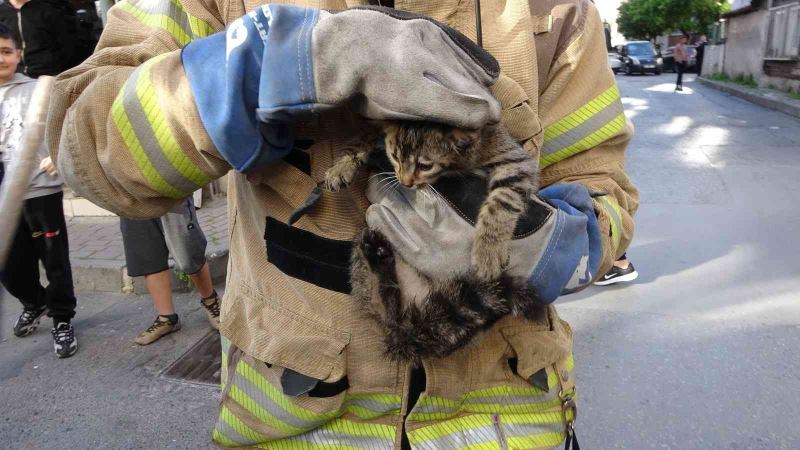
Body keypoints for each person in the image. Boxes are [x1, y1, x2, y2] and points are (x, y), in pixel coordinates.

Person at [46, 0, 638, 448]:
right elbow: (90, 147)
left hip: (505, 422)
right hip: (299, 419)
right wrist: (270, 65)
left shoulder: (554, 10)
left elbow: (603, 185)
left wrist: (555, 246)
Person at [0, 24, 77, 358]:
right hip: (3, 199)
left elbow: (66, 128)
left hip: (40, 191)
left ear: (19, 53)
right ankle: (35, 301)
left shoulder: (39, 90)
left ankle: (62, 319)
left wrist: (57, 157)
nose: (1, 58)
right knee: (9, 266)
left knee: (54, 260)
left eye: (6, 51)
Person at [119, 196, 221, 345]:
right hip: (130, 191)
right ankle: (167, 318)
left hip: (168, 188)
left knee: (188, 250)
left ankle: (212, 302)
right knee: (148, 253)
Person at [0, 0, 80, 78]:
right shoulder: (2, 11)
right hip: (12, 77)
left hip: (47, 76)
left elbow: (66, 45)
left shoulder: (48, 10)